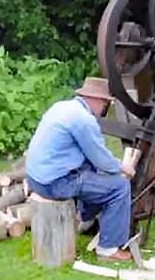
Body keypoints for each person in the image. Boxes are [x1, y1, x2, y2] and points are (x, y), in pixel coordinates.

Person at [24, 77, 136, 262]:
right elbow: (102, 160)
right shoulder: (83, 119)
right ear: (99, 100)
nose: (104, 110)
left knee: (92, 172)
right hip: (54, 183)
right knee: (119, 187)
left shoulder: (61, 107)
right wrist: (124, 168)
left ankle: (83, 217)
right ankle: (108, 249)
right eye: (106, 104)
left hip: (35, 178)